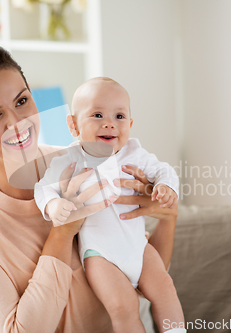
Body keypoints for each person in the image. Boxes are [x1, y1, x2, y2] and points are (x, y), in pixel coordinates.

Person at [0, 42, 181, 333]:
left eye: (21, 101)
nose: (17, 123)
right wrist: (63, 232)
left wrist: (167, 218)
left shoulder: (80, 160)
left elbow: (139, 276)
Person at [34, 77, 185, 333]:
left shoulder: (135, 153)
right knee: (123, 307)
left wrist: (166, 187)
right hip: (100, 255)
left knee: (166, 289)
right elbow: (43, 188)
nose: (109, 123)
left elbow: (165, 170)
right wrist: (53, 205)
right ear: (73, 125)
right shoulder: (68, 159)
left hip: (139, 246)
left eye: (119, 116)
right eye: (97, 114)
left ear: (130, 124)